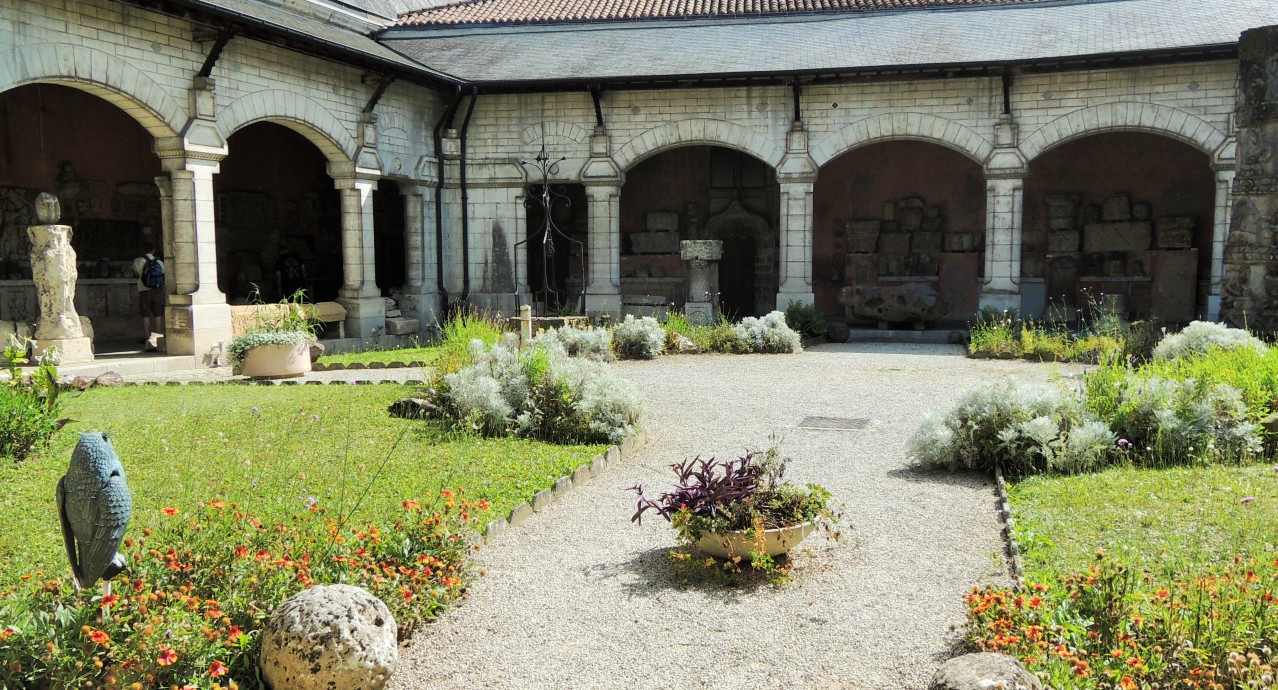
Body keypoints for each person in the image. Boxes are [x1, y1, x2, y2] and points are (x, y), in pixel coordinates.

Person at [133, 247, 165, 344]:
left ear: (143, 251)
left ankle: (147, 336)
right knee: (158, 313)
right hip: (157, 290)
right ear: (153, 250)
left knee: (145, 314)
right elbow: (163, 274)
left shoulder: (137, 261)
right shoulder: (159, 262)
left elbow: (136, 274)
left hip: (144, 290)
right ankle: (159, 336)